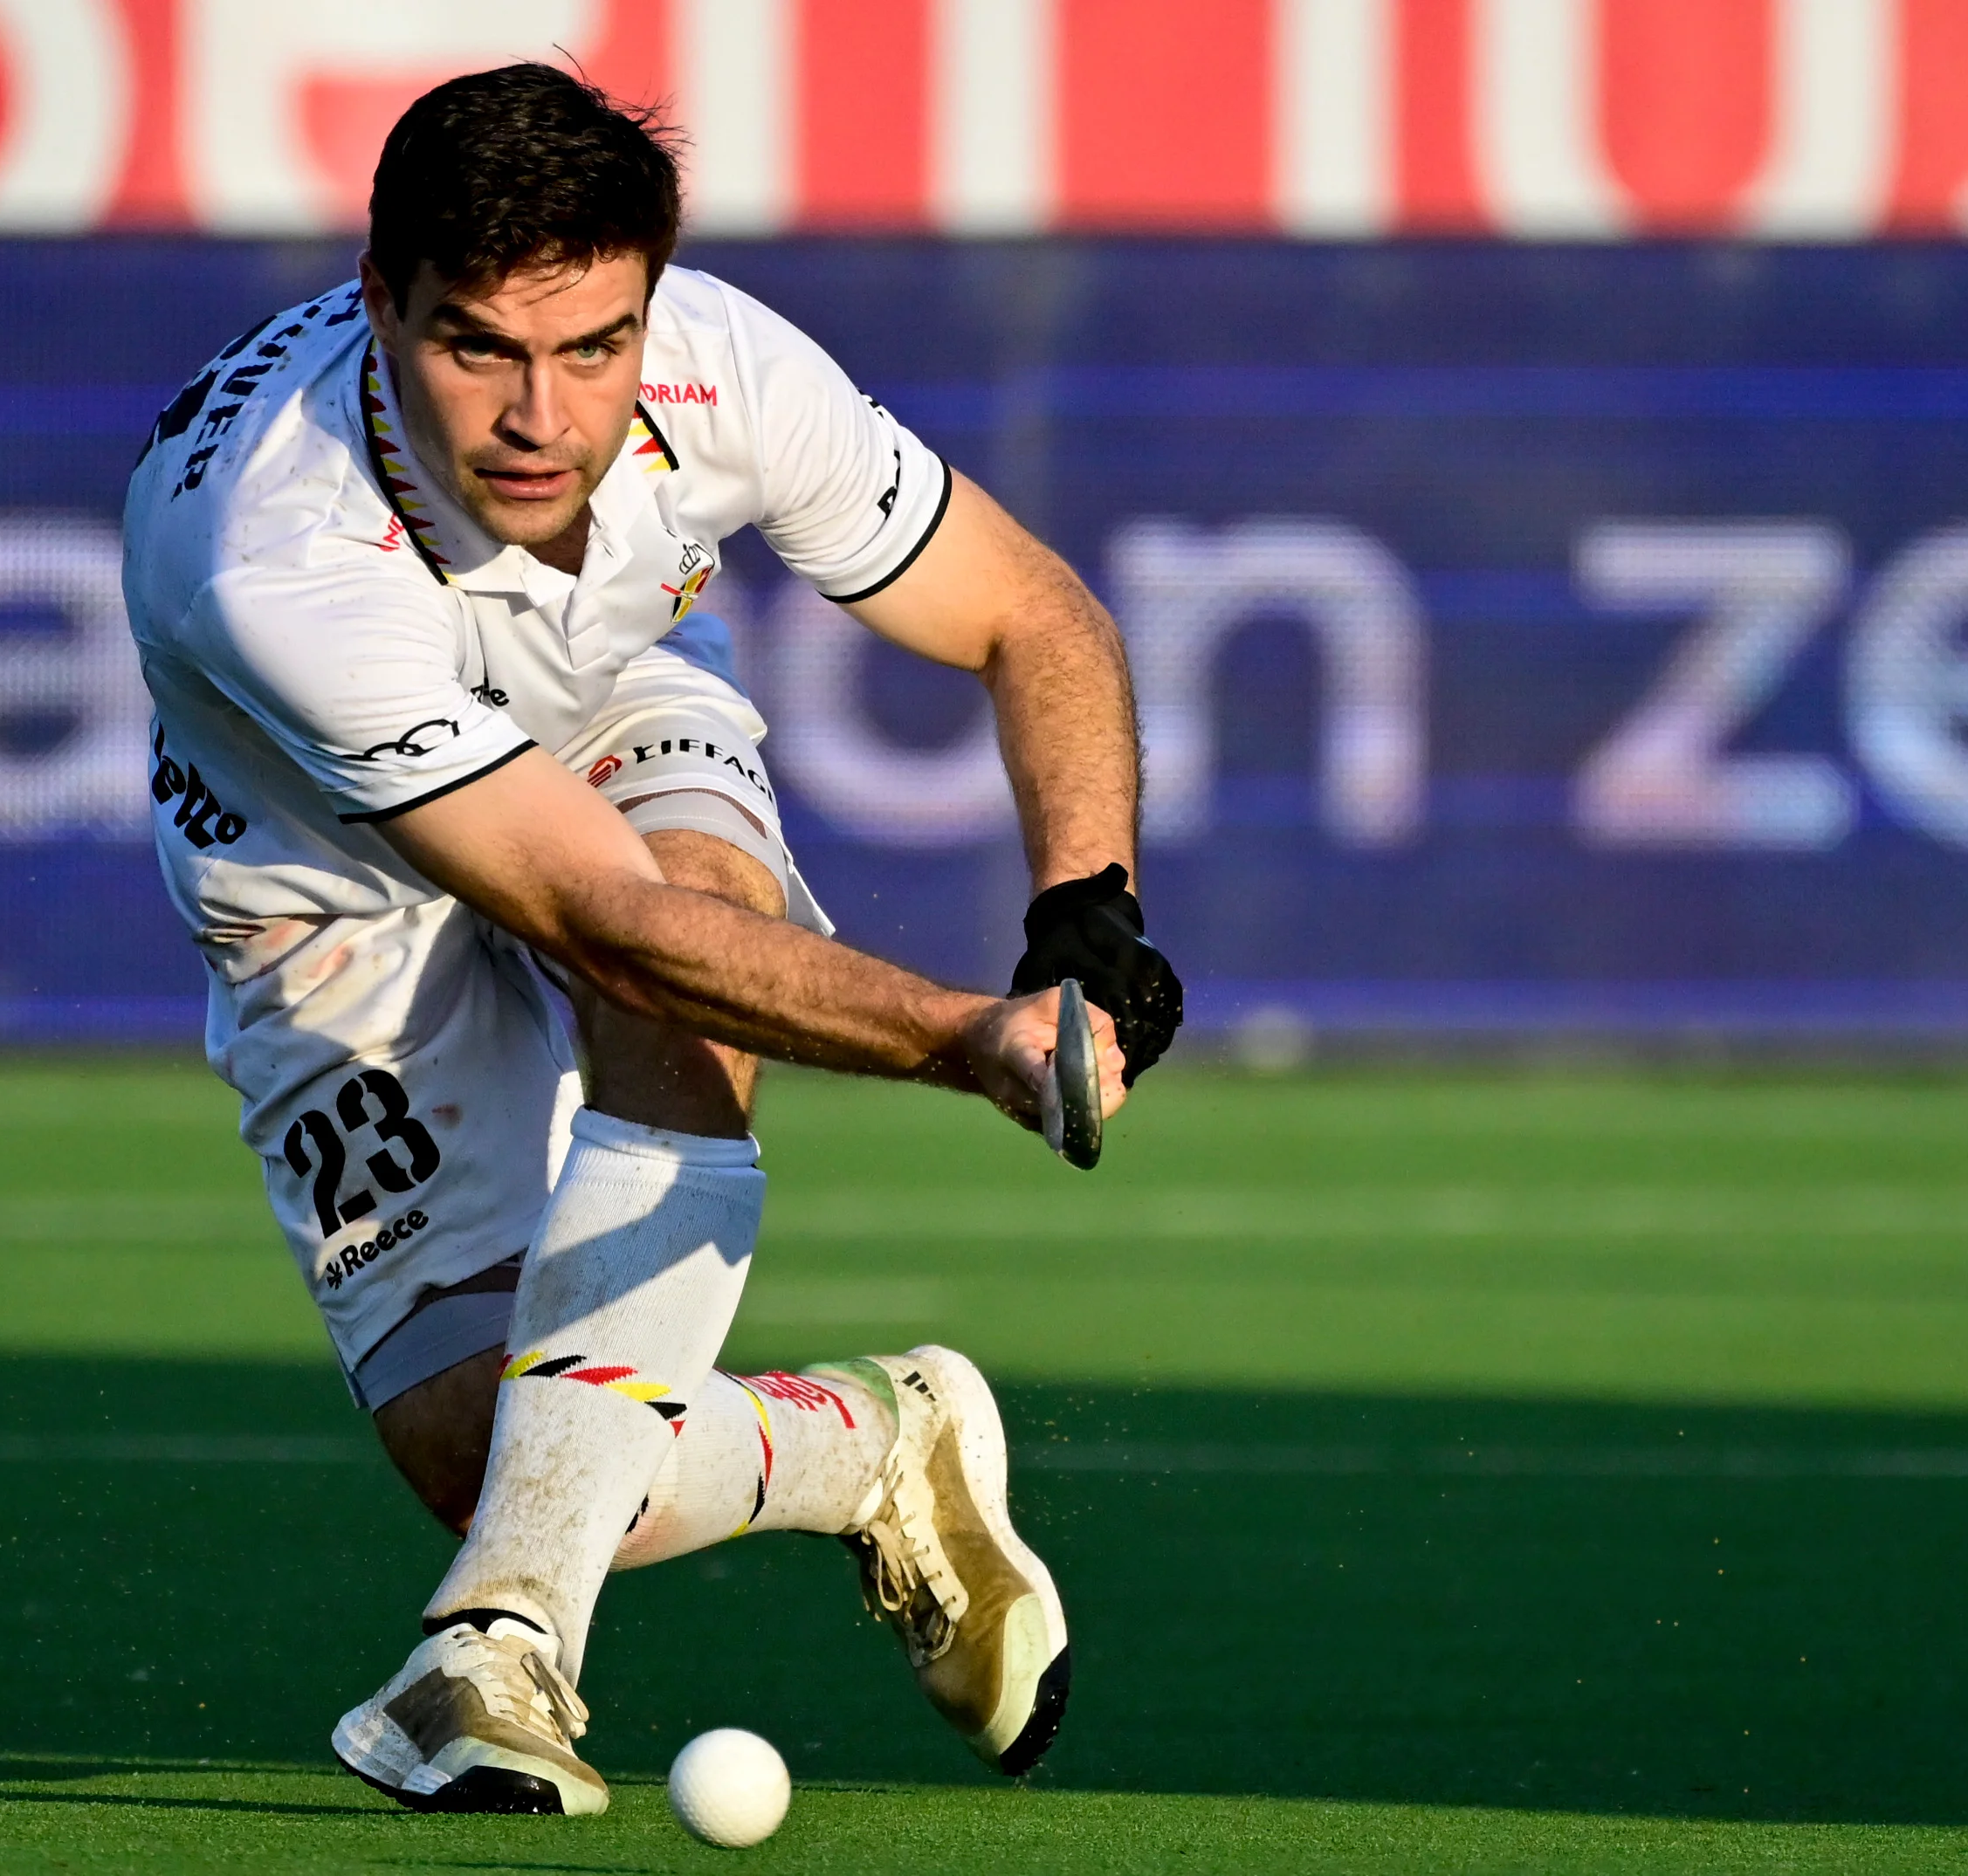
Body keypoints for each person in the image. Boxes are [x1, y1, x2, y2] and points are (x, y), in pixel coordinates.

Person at [121, 62, 1182, 1816]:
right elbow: (600, 919)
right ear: (378, 304)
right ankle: (871, 1444)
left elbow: (1029, 610)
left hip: (614, 698)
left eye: (593, 347)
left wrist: (1089, 906)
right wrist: (962, 1036)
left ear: (651, 304)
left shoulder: (730, 365)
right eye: (478, 349)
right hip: (319, 877)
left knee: (700, 963)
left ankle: (500, 1646)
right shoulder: (271, 551)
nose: (544, 416)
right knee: (481, 1444)